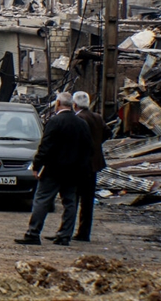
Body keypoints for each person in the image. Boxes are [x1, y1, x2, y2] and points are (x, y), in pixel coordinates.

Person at [15, 92, 93, 246]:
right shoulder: (81, 123)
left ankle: (33, 233)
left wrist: (37, 165)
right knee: (70, 203)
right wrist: (82, 169)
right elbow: (88, 149)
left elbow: (45, 146)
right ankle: (64, 236)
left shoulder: (55, 122)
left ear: (58, 104)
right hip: (73, 172)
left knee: (42, 201)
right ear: (72, 105)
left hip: (53, 170)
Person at [71, 91, 110, 243]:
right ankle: (84, 232)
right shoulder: (97, 117)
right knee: (87, 201)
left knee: (72, 198)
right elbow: (108, 132)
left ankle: (69, 229)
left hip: (80, 165)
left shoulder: (78, 119)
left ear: (75, 105)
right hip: (94, 165)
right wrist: (97, 145)